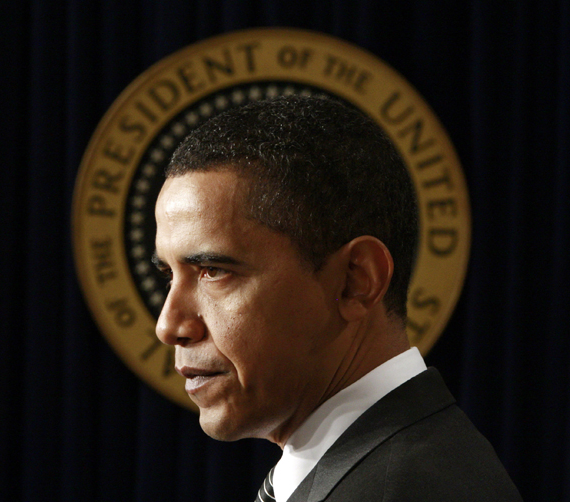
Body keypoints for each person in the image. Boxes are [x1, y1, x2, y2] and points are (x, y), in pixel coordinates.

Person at [153, 95, 522, 501]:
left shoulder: (415, 489)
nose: (169, 326)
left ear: (355, 281)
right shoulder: (373, 470)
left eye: (213, 272)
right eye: (170, 274)